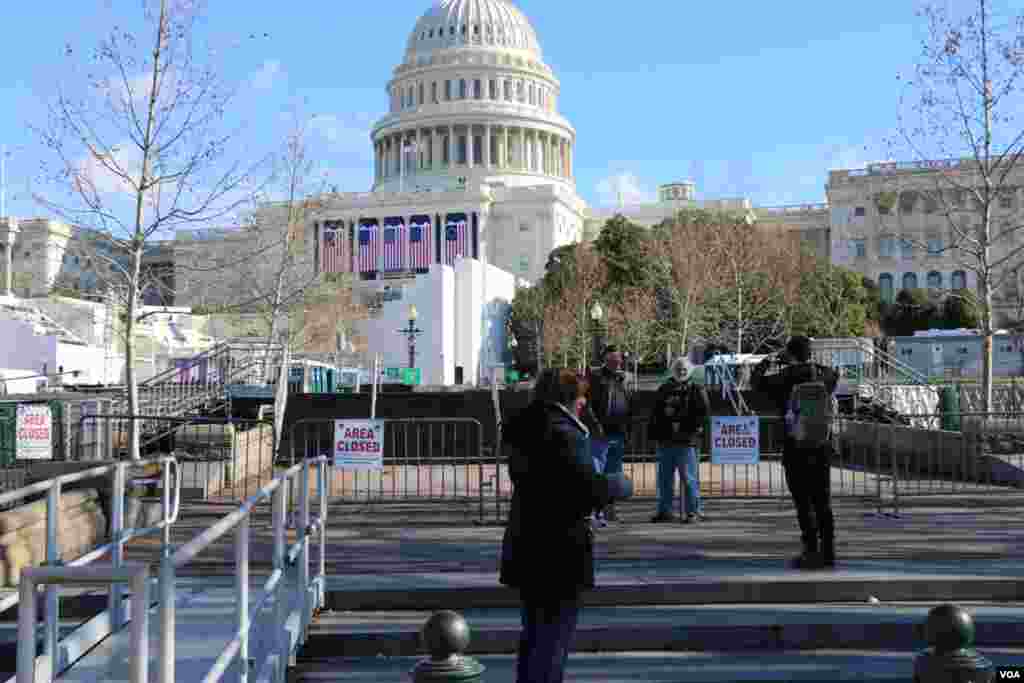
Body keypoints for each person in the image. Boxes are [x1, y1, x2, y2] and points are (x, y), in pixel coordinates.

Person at [500, 368, 634, 683]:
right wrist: (620, 484)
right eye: (581, 397)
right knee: (553, 639)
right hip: (559, 548)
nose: (584, 403)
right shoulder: (564, 433)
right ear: (568, 399)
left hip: (527, 541)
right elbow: (587, 487)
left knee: (534, 634)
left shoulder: (525, 427)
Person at [751, 336, 839, 569]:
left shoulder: (785, 377)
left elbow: (757, 384)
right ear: (810, 352)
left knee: (803, 501)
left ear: (789, 353)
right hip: (821, 444)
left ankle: (811, 550)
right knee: (823, 501)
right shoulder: (826, 374)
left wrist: (766, 363)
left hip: (795, 446)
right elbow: (834, 378)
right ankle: (829, 552)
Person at [648, 356, 710, 523]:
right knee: (664, 479)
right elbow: (655, 414)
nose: (681, 372)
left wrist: (694, 431)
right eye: (678, 369)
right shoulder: (664, 388)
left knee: (689, 478)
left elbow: (703, 413)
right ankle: (664, 511)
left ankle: (693, 511)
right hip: (666, 440)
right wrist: (655, 435)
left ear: (689, 371)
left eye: (684, 370)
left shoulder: (697, 388)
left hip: (687, 441)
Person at [589, 345, 632, 523]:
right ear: (605, 359)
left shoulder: (623, 379)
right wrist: (595, 425)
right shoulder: (596, 378)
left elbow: (629, 405)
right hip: (601, 434)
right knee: (598, 473)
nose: (616, 362)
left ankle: (610, 510)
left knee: (614, 475)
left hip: (618, 433)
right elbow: (589, 405)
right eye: (613, 359)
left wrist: (627, 430)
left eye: (618, 359)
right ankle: (596, 511)